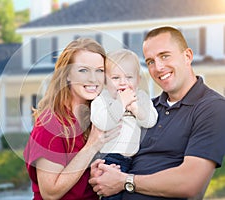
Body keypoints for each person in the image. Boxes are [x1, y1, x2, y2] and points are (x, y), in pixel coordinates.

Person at [89, 26, 225, 200]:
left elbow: (191, 184)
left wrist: (125, 181)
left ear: (187, 56)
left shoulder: (212, 107)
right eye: (151, 61)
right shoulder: (147, 108)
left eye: (165, 56)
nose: (158, 67)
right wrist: (101, 170)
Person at [23, 37, 119, 200]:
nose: (93, 78)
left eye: (99, 70)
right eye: (83, 70)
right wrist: (91, 146)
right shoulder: (51, 123)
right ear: (67, 75)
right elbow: (50, 193)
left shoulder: (95, 118)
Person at [90, 49, 158, 200]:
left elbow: (151, 120)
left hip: (136, 159)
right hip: (109, 159)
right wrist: (121, 103)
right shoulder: (102, 100)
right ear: (106, 81)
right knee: (112, 195)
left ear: (138, 80)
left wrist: (135, 109)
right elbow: (102, 122)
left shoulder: (141, 97)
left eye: (129, 77)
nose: (123, 82)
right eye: (115, 77)